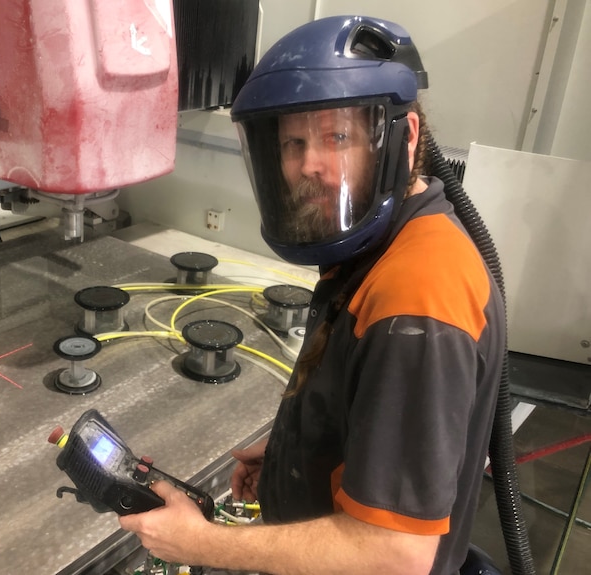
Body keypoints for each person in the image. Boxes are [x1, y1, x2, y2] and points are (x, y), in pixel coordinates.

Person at [118, 15, 505, 575]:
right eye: (294, 142)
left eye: (337, 137)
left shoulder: (419, 293)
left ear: (407, 137)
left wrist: (200, 543)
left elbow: (393, 556)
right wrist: (295, 454)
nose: (308, 166)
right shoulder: (382, 248)